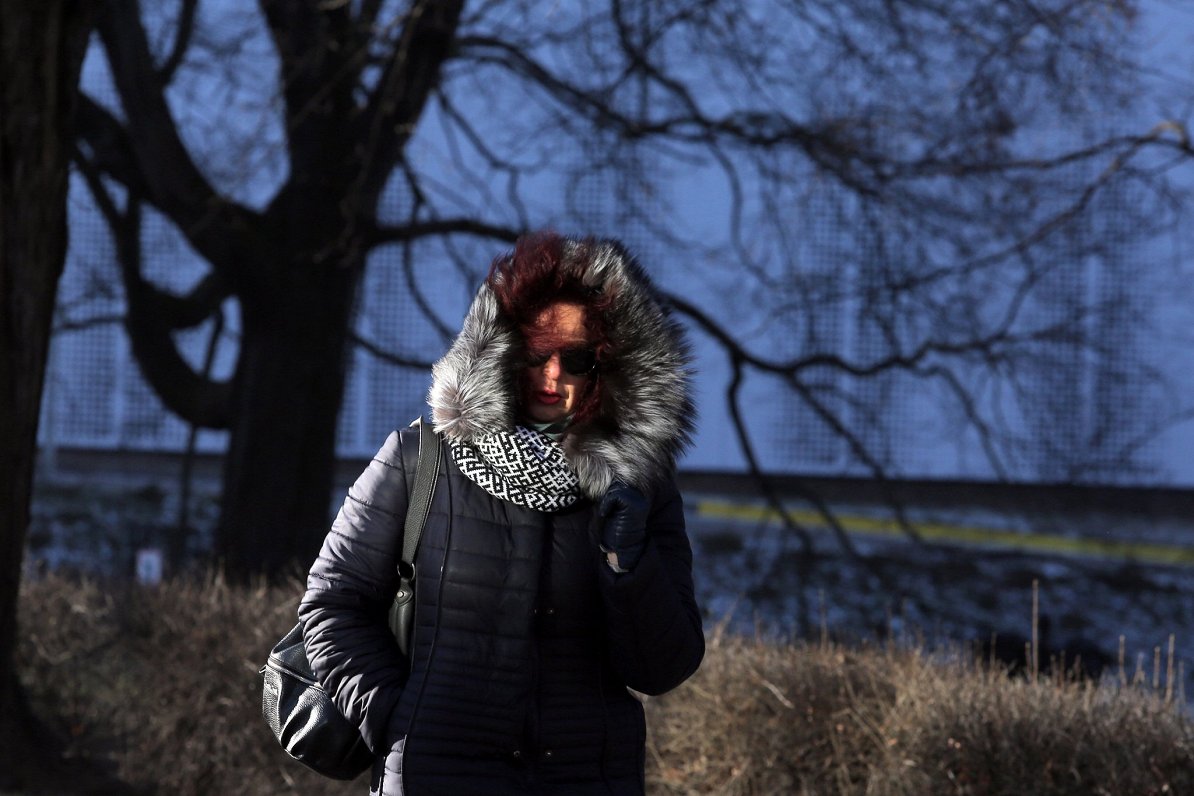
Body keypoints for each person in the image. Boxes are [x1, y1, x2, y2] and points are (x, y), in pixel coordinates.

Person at [299, 232, 704, 795]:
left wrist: (628, 563)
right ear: (504, 349)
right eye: (537, 352)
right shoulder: (419, 462)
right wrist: (398, 714)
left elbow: (664, 667)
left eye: (576, 358)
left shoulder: (639, 487)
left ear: (605, 368)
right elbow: (333, 604)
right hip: (437, 777)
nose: (552, 375)